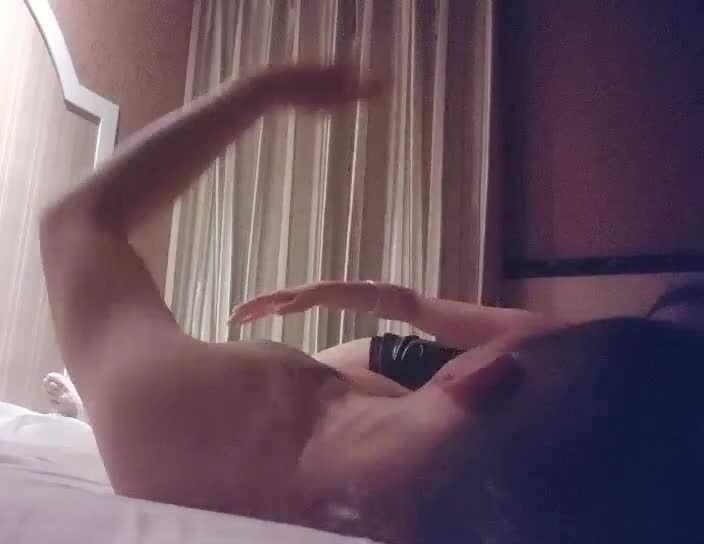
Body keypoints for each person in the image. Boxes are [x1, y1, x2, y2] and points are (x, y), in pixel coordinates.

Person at [39, 63, 704, 543]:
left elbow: (73, 223)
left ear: (479, 371)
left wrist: (251, 95)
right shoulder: (420, 476)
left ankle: (85, 408)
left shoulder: (205, 418)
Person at [230, 279, 704, 391]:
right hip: (391, 368)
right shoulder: (566, 344)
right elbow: (412, 306)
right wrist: (321, 293)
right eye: (654, 334)